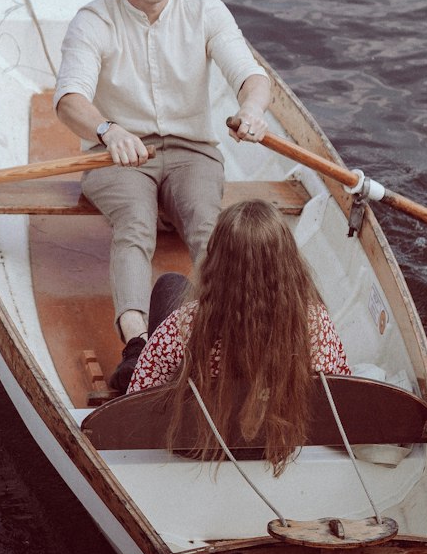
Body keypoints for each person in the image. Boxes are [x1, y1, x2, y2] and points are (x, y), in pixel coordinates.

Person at [53, 0, 272, 392]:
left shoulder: (206, 10)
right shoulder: (94, 20)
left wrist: (253, 110)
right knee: (134, 223)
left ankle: (229, 336)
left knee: (206, 225)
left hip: (192, 153)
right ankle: (137, 345)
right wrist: (108, 130)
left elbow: (251, 78)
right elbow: (69, 101)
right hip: (118, 155)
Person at [127, 200, 351, 475]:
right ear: (289, 261)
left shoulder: (183, 326)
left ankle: (134, 350)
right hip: (277, 448)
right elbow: (339, 394)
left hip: (196, 450)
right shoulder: (314, 325)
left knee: (170, 285)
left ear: (216, 263)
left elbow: (137, 402)